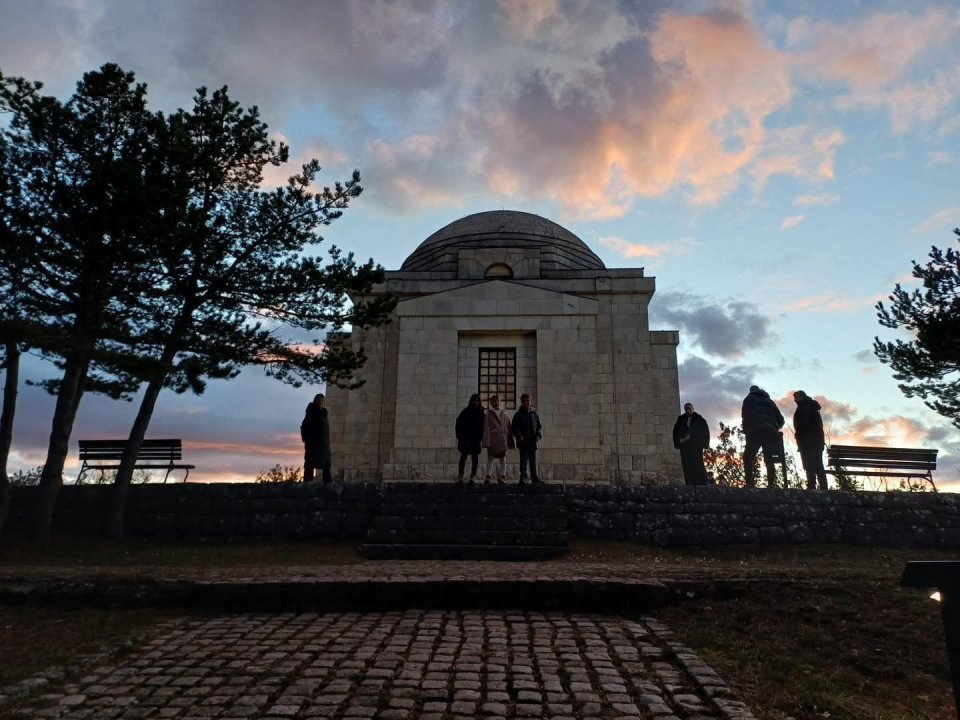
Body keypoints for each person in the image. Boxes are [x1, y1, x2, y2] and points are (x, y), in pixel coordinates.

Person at [741, 385, 785, 487]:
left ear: (751, 391)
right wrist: (774, 427)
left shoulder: (749, 399)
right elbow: (781, 420)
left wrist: (747, 430)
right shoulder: (770, 401)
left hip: (755, 431)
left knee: (748, 457)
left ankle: (749, 483)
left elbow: (745, 416)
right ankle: (771, 484)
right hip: (770, 432)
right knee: (768, 457)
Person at [793, 390, 829, 490]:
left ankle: (812, 486)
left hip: (808, 441)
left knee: (810, 464)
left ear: (802, 397)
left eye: (796, 397)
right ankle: (822, 486)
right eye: (794, 398)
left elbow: (802, 427)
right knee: (817, 464)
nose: (795, 400)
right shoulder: (809, 406)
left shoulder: (805, 407)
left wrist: (801, 440)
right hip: (815, 441)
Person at [672, 402, 710, 485]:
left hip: (696, 447)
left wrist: (694, 437)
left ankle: (702, 483)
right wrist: (680, 440)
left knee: (698, 464)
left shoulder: (699, 420)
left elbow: (704, 431)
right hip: (685, 447)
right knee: (687, 465)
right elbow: (676, 432)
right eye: (686, 409)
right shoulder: (681, 420)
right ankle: (689, 483)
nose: (688, 410)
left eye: (689, 408)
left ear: (693, 409)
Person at [511, 393, 543, 484]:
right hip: (523, 442)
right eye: (524, 401)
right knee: (523, 460)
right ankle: (523, 477)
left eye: (527, 400)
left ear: (531, 401)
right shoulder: (518, 414)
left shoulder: (534, 413)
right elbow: (514, 427)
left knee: (533, 461)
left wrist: (538, 435)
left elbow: (539, 426)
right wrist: (519, 436)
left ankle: (534, 478)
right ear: (521, 402)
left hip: (533, 441)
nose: (526, 403)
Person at [301, 393, 332, 484]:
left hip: (324, 444)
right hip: (313, 445)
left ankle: (328, 484)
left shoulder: (324, 413)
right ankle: (307, 485)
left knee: (326, 464)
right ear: (316, 401)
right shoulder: (311, 412)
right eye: (320, 400)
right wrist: (307, 439)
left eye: (323, 400)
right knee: (310, 464)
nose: (321, 402)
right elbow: (305, 426)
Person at [482, 394, 514, 484]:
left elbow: (508, 427)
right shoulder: (488, 414)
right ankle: (488, 475)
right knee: (490, 457)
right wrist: (487, 441)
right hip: (493, 439)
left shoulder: (505, 414)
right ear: (491, 403)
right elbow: (486, 428)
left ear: (500, 402)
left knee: (503, 457)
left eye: (497, 401)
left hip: (503, 439)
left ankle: (502, 476)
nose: (496, 403)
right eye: (494, 401)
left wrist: (509, 439)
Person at [455, 393, 485, 483]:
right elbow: (458, 423)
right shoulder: (466, 411)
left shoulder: (481, 413)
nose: (475, 402)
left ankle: (473, 475)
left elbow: (483, 426)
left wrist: (481, 437)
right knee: (463, 457)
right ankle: (460, 474)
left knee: (475, 458)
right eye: (474, 400)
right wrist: (459, 435)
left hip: (476, 439)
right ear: (471, 401)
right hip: (466, 438)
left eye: (477, 400)